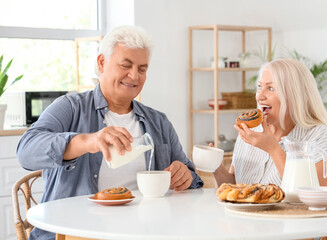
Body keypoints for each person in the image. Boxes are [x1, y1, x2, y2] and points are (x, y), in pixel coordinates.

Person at [17, 25, 203, 240]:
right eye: (126, 65)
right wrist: (89, 141)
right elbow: (26, 151)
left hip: (143, 232)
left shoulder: (158, 121)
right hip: (73, 233)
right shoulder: (70, 107)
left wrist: (185, 176)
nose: (134, 75)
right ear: (102, 63)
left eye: (142, 69)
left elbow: (192, 178)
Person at [213, 58, 327, 187]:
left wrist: (272, 148)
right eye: (259, 87)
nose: (260, 96)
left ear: (295, 95)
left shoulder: (319, 135)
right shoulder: (250, 132)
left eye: (271, 88)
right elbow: (235, 187)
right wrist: (216, 167)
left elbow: (312, 193)